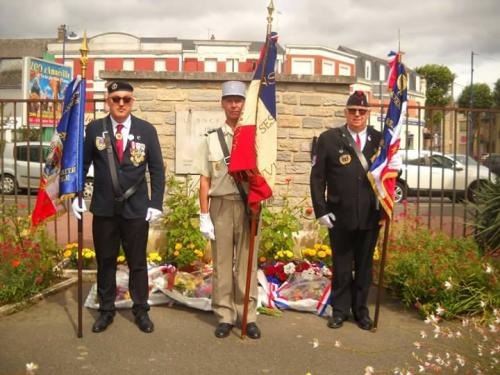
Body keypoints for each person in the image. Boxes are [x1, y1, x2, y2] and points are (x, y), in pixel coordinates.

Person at [72, 80, 165, 333]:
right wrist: (76, 195)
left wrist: (156, 202)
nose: (121, 103)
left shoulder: (146, 130)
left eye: (126, 99)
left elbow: (157, 169)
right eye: (116, 99)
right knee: (106, 261)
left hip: (136, 208)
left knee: (137, 262)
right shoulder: (95, 129)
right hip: (103, 208)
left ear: (132, 101)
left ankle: (141, 309)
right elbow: (81, 164)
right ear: (107, 101)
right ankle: (106, 310)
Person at [310, 90, 401, 331]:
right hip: (339, 215)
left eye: (362, 111)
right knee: (341, 266)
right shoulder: (329, 139)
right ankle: (339, 310)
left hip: (370, 215)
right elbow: (317, 178)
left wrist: (395, 170)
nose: (357, 115)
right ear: (346, 113)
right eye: (353, 111)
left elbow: (387, 179)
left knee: (364, 267)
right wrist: (320, 210)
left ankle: (361, 311)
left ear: (368, 114)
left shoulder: (381, 140)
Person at [197, 81, 261, 339]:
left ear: (245, 103)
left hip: (250, 206)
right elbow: (205, 179)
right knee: (222, 263)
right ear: (222, 103)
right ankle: (224, 315)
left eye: (239, 100)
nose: (234, 105)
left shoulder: (256, 137)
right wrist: (204, 214)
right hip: (221, 206)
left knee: (248, 264)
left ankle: (248, 316)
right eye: (229, 100)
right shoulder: (211, 139)